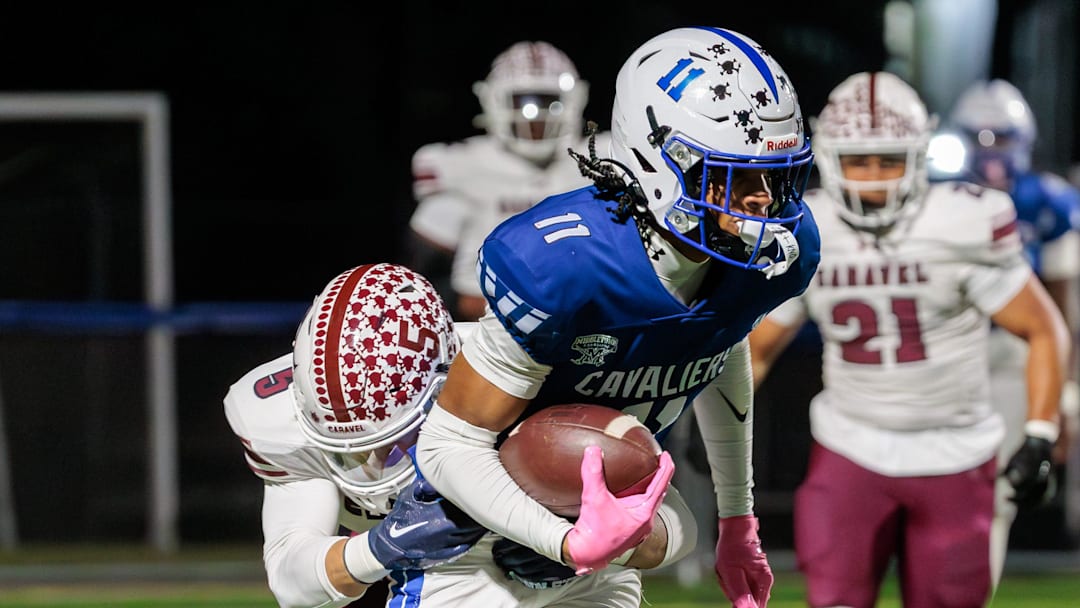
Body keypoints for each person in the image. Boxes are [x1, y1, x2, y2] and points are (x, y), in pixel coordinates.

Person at [409, 26, 822, 608]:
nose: (762, 201)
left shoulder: (773, 252)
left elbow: (720, 340)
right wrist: (563, 541)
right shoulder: (567, 261)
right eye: (734, 176)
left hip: (596, 525)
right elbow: (448, 445)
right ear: (662, 162)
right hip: (471, 533)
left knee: (677, 535)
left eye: (773, 176)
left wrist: (737, 519)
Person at [748, 71, 1070, 608]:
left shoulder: (961, 221)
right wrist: (721, 436)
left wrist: (1040, 432)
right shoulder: (810, 228)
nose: (873, 179)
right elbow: (755, 350)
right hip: (849, 444)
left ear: (917, 158)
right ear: (829, 158)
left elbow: (1043, 328)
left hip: (956, 449)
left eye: (888, 161)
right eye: (858, 162)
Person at [223, 263, 488, 608]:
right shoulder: (277, 421)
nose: (371, 468)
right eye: (348, 454)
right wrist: (379, 548)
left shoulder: (505, 376)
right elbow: (291, 582)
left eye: (392, 445)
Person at [950, 78, 1080, 579]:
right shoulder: (940, 196)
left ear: (1022, 140)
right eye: (979, 138)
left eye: (1000, 138)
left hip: (1015, 351)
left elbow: (1062, 309)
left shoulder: (1048, 202)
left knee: (1002, 491)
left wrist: (1063, 398)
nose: (990, 153)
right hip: (948, 348)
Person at [407, 40, 608, 321]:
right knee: (440, 213)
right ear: (492, 100)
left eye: (548, 102)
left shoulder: (603, 156)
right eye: (523, 102)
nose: (535, 114)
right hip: (481, 313)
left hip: (590, 305)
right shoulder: (463, 166)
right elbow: (423, 273)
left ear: (576, 100)